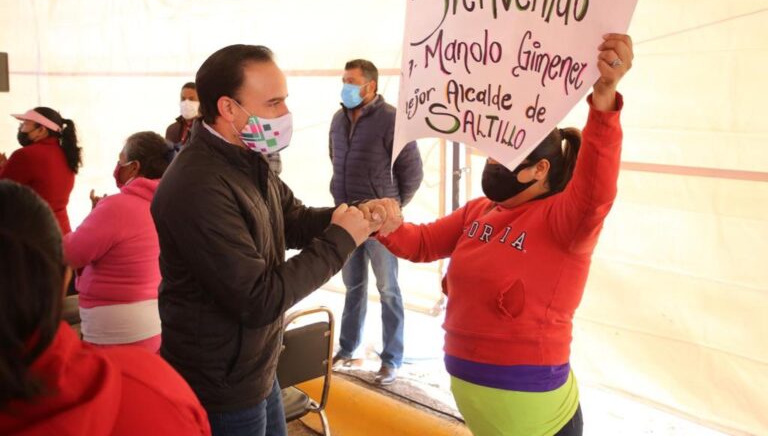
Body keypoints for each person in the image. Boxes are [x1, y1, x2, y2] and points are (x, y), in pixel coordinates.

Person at [371, 34, 634, 436]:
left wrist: (603, 101)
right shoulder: (480, 210)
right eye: (492, 153)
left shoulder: (563, 221)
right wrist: (387, 226)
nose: (492, 162)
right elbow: (422, 243)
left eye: (504, 157)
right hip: (485, 403)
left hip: (539, 409)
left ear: (540, 170)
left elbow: (596, 191)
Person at [151, 44, 377, 436]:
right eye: (273, 103)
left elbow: (291, 220)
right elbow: (259, 298)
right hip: (219, 383)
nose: (285, 114)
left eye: (284, 100)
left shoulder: (247, 158)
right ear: (228, 108)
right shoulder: (197, 185)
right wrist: (342, 240)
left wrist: (357, 213)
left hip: (256, 366)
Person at [0, 180, 211, 436]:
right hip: (151, 328)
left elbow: (77, 249)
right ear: (63, 276)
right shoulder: (156, 389)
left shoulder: (118, 207)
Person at [329, 59, 423, 385]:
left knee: (388, 290)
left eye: (351, 81)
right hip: (346, 220)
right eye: (344, 80)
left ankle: (391, 359)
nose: (346, 86)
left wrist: (390, 210)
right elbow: (335, 161)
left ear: (370, 86)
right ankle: (348, 348)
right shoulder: (337, 121)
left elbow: (412, 172)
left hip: (382, 227)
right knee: (353, 285)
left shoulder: (392, 120)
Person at [63, 131, 174, 353]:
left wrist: (91, 218)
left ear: (134, 167)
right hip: (153, 324)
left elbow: (71, 253)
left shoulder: (117, 206)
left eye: (120, 160)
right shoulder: (169, 202)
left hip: (113, 332)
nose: (117, 166)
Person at [0, 107, 82, 234]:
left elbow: (4, 194)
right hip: (61, 232)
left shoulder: (25, 155)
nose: (21, 129)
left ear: (41, 130)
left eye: (25, 124)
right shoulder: (66, 154)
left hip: (33, 236)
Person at [166, 82, 200, 147]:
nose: (186, 103)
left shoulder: (206, 128)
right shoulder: (172, 129)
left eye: (191, 99)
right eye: (183, 99)